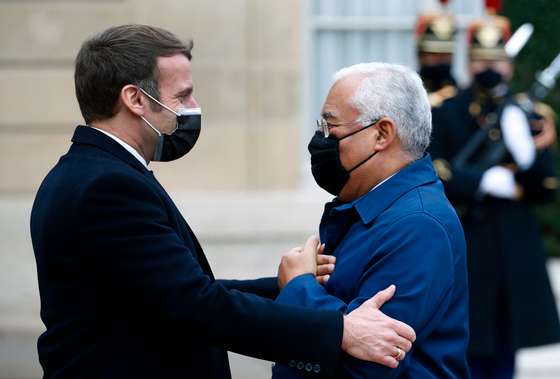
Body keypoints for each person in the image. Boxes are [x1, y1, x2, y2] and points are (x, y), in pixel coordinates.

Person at [29, 24, 417, 379]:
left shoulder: (93, 172)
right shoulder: (108, 186)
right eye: (181, 95)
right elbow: (195, 306)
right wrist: (340, 331)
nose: (193, 105)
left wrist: (287, 285)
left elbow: (171, 289)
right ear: (135, 99)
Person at [271, 62, 470, 378]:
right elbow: (341, 300)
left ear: (382, 133)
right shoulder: (373, 206)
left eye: (330, 126)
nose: (321, 139)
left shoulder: (417, 225)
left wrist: (298, 288)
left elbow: (368, 365)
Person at [429, 14, 560, 379]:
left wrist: (527, 155)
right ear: (469, 63)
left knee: (505, 342)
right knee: (465, 340)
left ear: (510, 65)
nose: (490, 68)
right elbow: (436, 169)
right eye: (482, 61)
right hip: (468, 241)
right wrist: (482, 181)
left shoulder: (527, 112)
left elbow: (544, 186)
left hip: (511, 246)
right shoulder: (446, 109)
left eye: (497, 61)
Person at [415, 9, 458, 108]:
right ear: (421, 55)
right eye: (434, 53)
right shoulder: (409, 93)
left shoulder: (462, 97)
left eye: (446, 54)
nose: (440, 59)